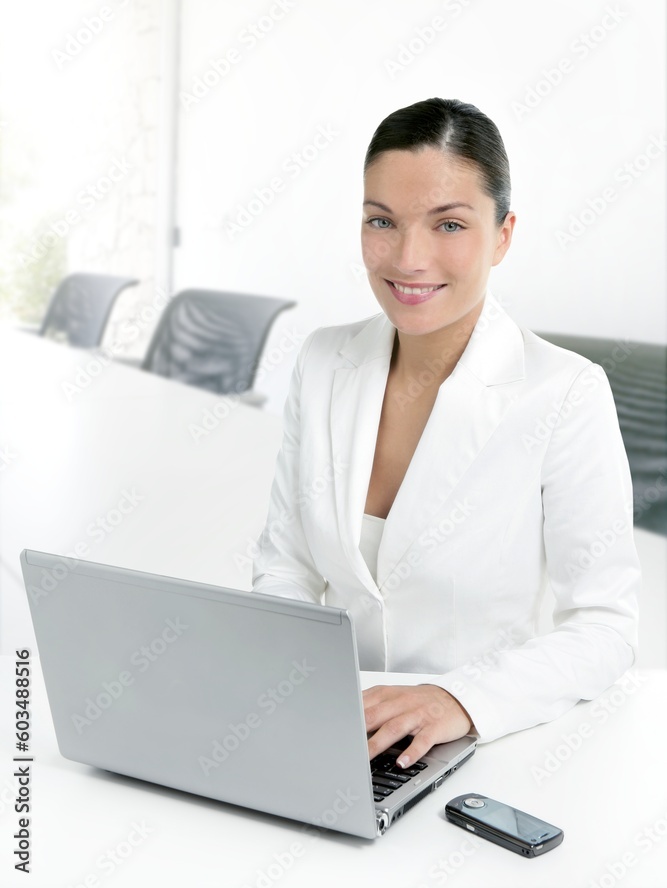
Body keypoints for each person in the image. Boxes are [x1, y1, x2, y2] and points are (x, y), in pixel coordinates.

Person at [251, 97, 640, 770]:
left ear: (503, 234)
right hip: (329, 737)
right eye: (382, 221)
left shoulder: (563, 393)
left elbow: (605, 628)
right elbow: (286, 567)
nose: (408, 258)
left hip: (482, 745)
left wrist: (459, 700)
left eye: (449, 224)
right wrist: (290, 686)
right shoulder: (322, 360)